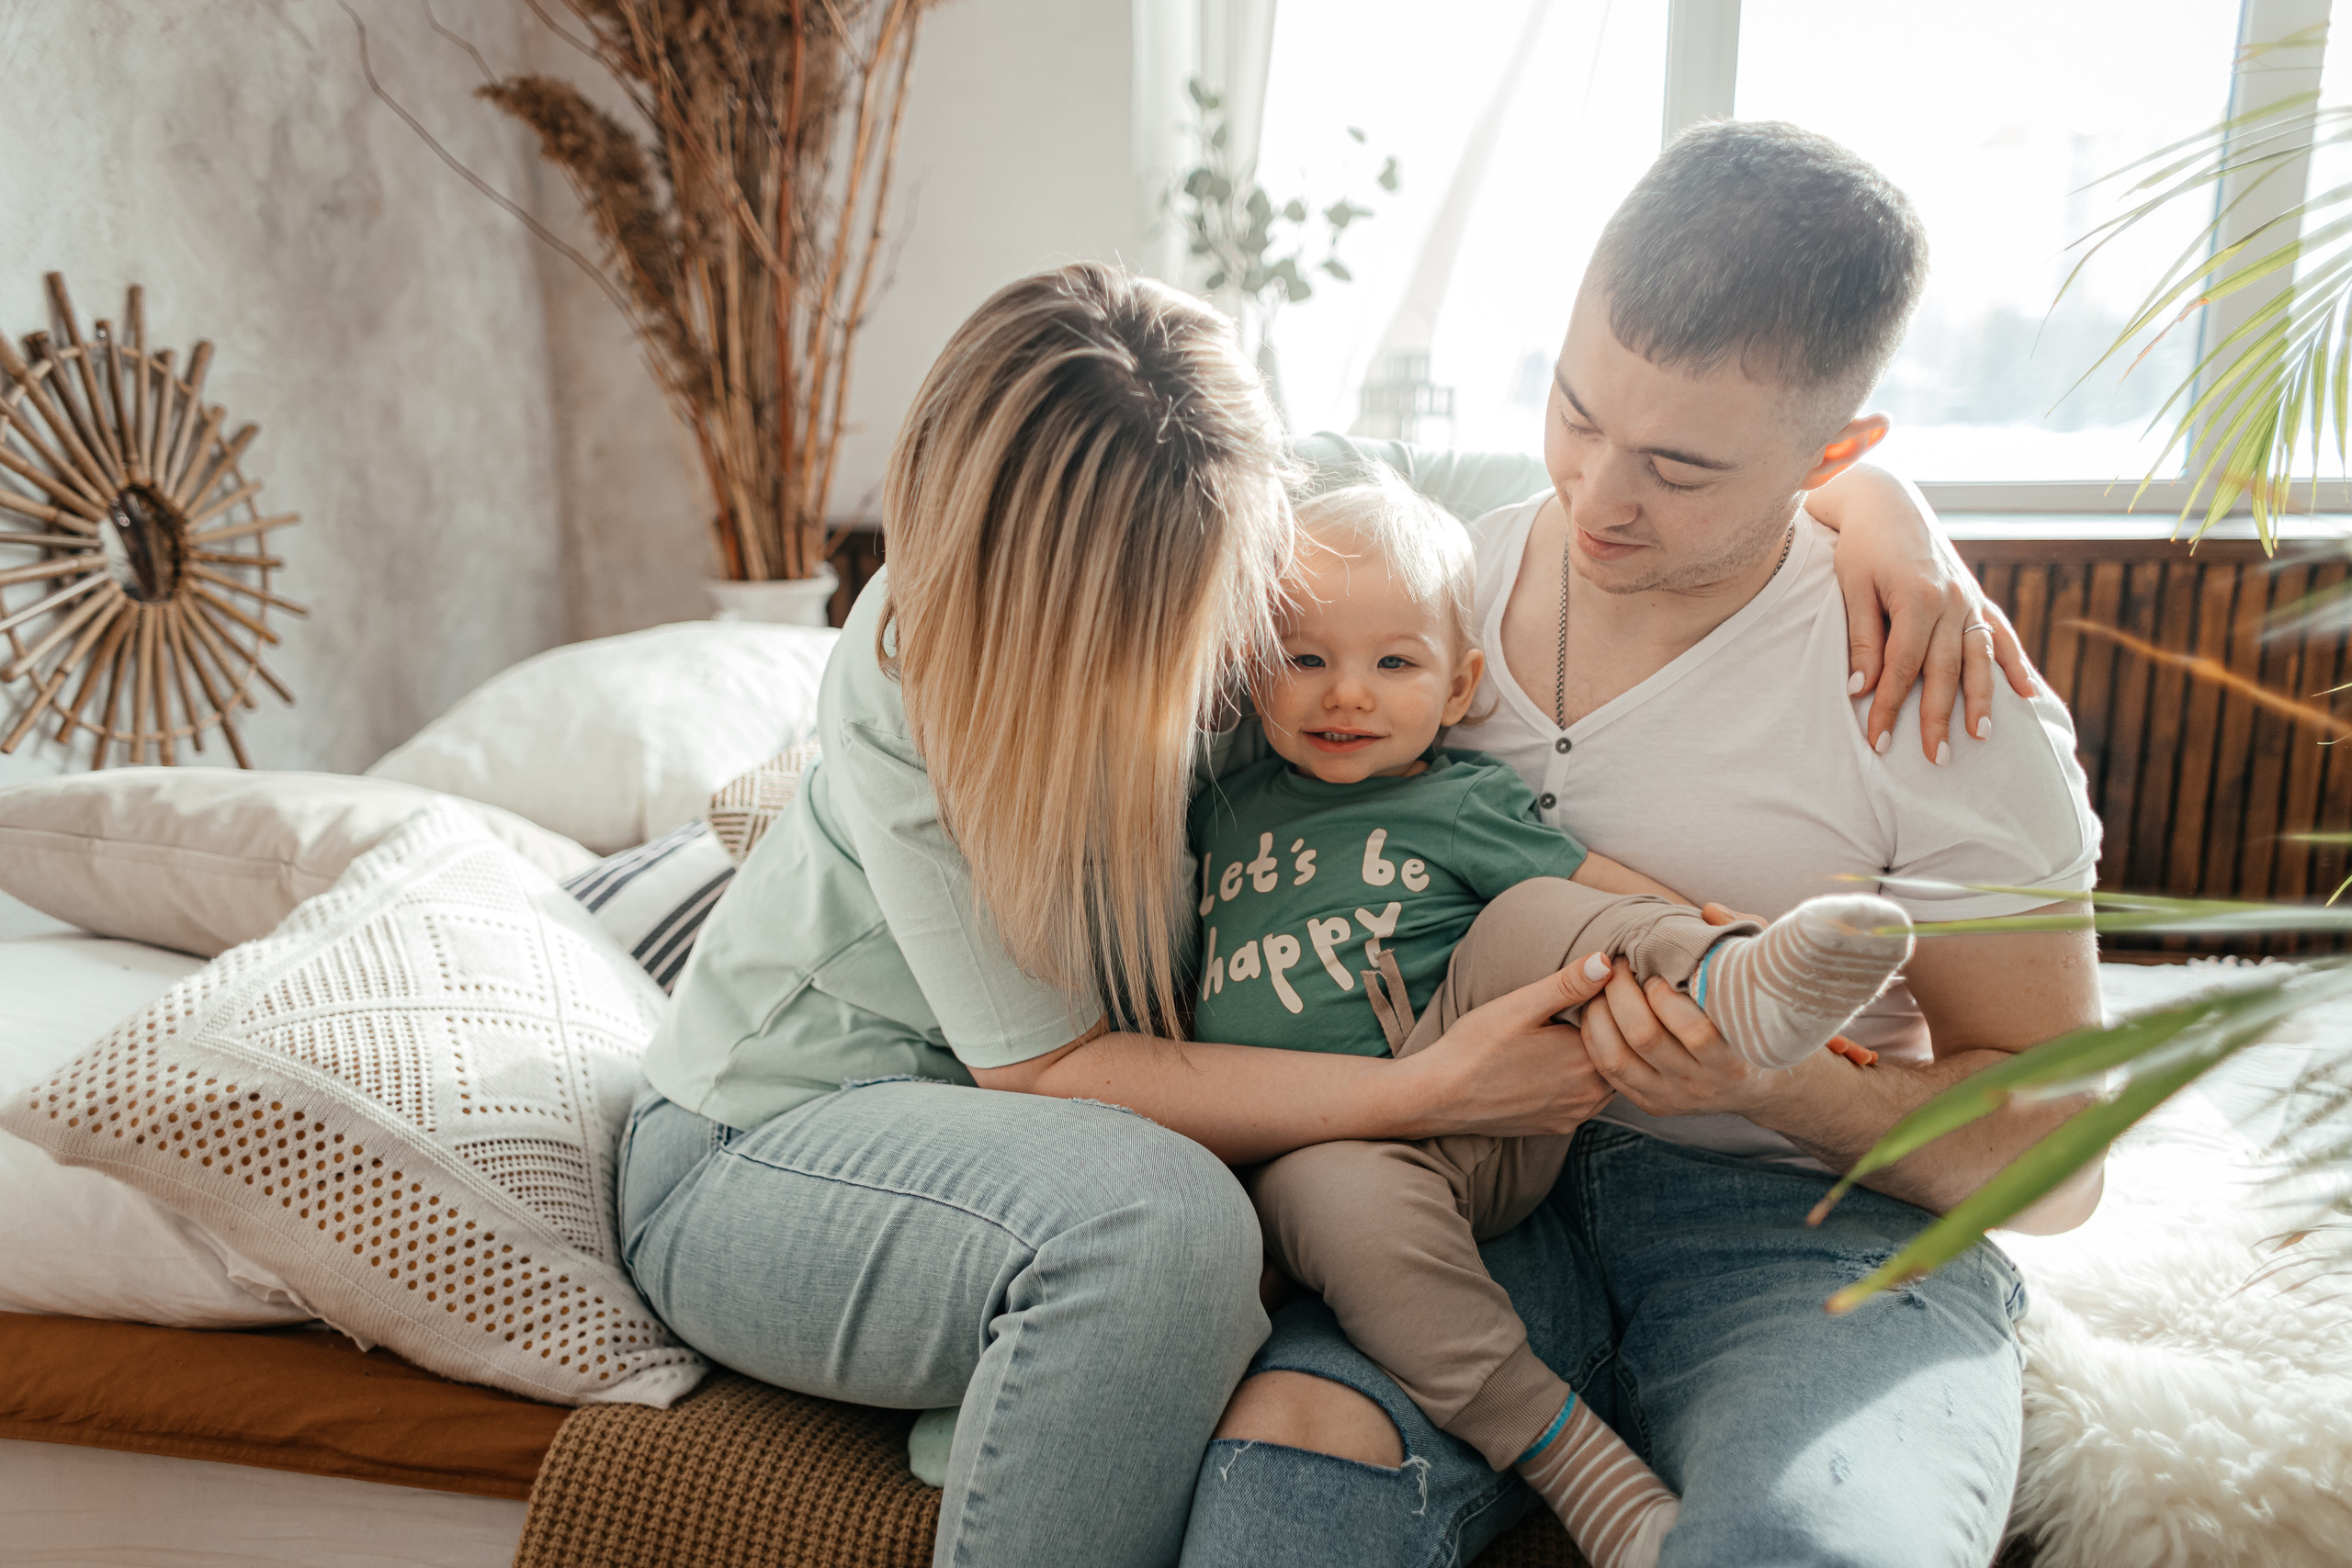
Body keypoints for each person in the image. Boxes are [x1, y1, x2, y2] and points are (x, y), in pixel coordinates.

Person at [616, 258, 2024, 1566]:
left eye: (1212, 598)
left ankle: (1740, 982)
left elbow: (1623, 491)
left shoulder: (1293, 516)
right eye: (1126, 621)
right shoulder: (914, 670)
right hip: (784, 1128)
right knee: (1162, 1227)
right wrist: (1420, 1086)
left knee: (1299, 1132)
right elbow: (1046, 1071)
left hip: (1098, 1136)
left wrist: (1887, 516)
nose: (1195, 659)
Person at [1185, 121, 2103, 1568]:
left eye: (1679, 466)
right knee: (1277, 1496)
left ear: (1835, 453)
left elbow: (2060, 1159)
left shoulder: (1930, 687)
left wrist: (1791, 1090)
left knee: (1811, 1543)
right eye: (1574, 410)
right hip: (1462, 1185)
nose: (1600, 494)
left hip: (1796, 1220)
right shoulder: (1418, 597)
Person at [1193, 474, 1917, 1568]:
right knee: (1335, 1190)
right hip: (1307, 1160)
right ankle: (1578, 1464)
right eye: (1306, 659)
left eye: (1394, 663)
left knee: (1540, 909)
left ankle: (1743, 984)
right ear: (1255, 674)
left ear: (1458, 687)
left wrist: (1706, 937)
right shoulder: (1220, 807)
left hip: (1475, 1120)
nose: (1346, 694)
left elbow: (1600, 884)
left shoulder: (1460, 797)